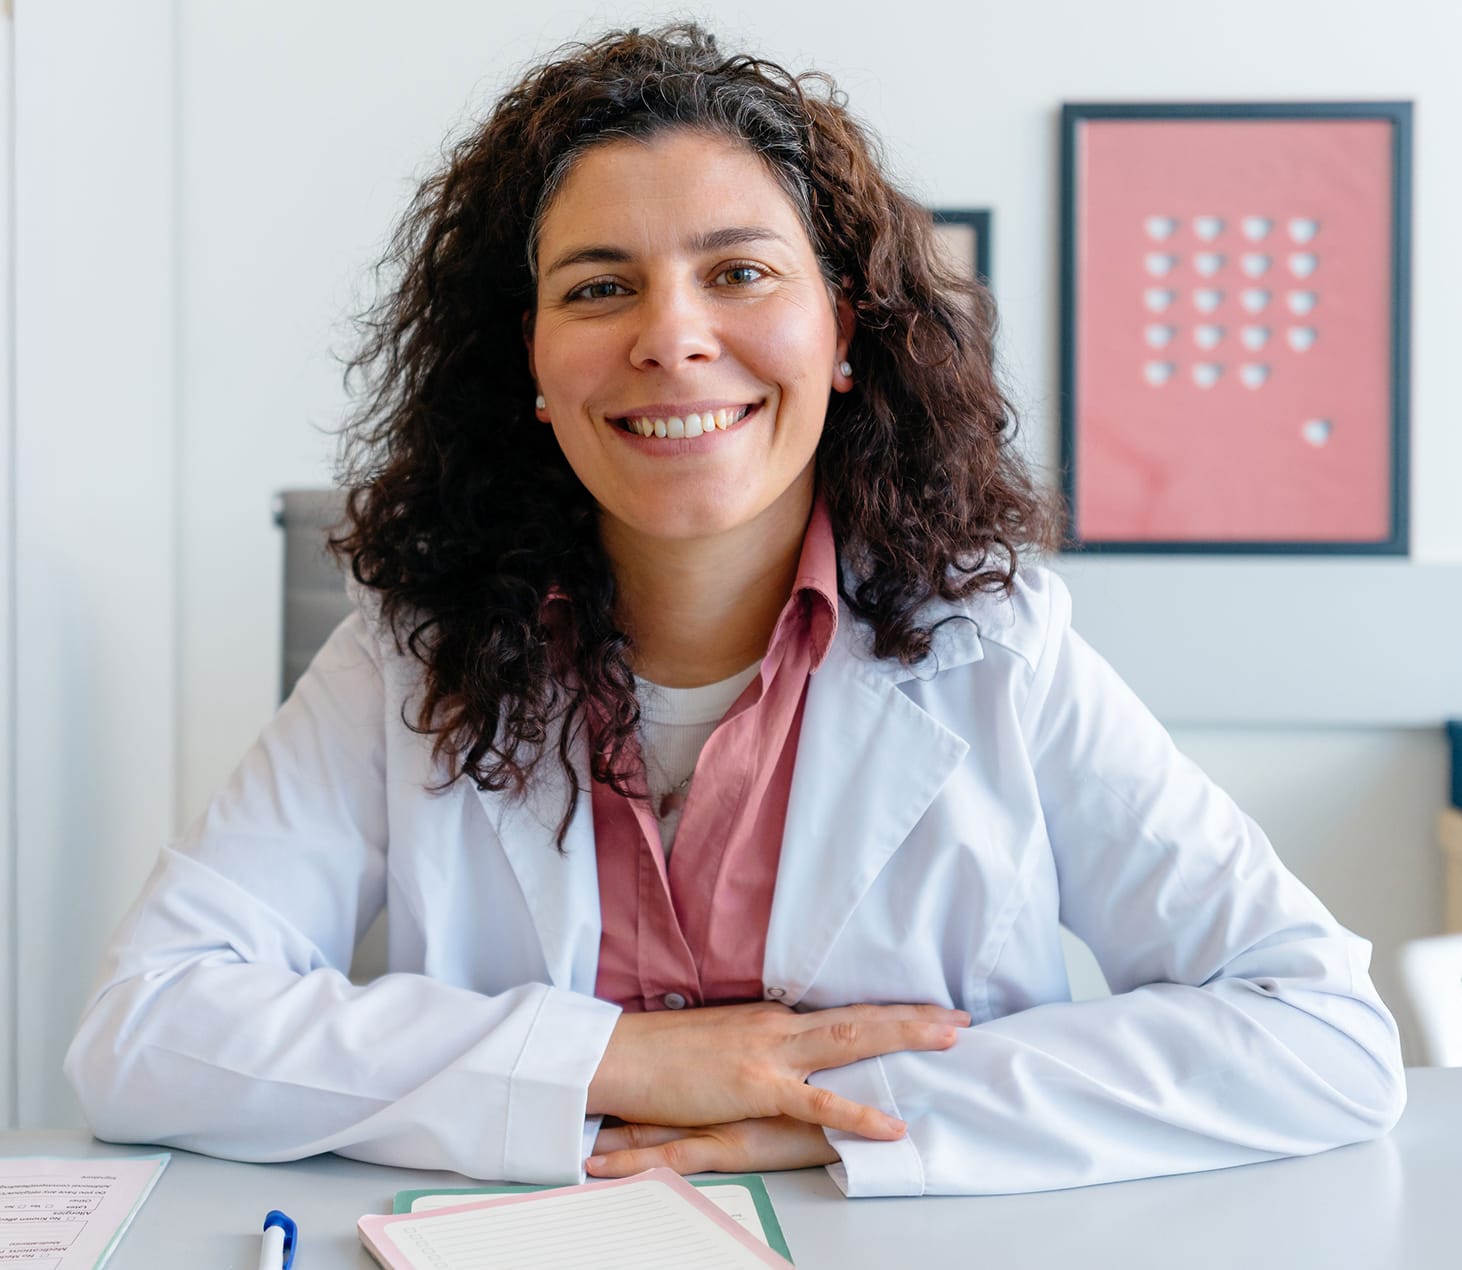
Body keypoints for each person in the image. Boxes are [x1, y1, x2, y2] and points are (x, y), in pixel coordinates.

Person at [65, 24, 1405, 1197]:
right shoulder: (403, 657)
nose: (671, 334)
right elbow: (144, 1032)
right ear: (527, 359)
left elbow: (1321, 1033)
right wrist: (618, 1059)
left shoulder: (1001, 650)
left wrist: (829, 1116)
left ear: (843, 328)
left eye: (739, 273)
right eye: (597, 285)